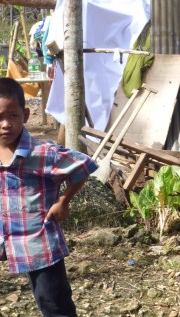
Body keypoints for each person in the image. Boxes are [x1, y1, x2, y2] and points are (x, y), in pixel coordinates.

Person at [0, 78, 97, 316]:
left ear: (25, 114)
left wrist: (63, 201)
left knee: (54, 303)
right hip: (5, 235)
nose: (5, 125)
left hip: (39, 242)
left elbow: (84, 165)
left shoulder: (42, 153)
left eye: (12, 116)